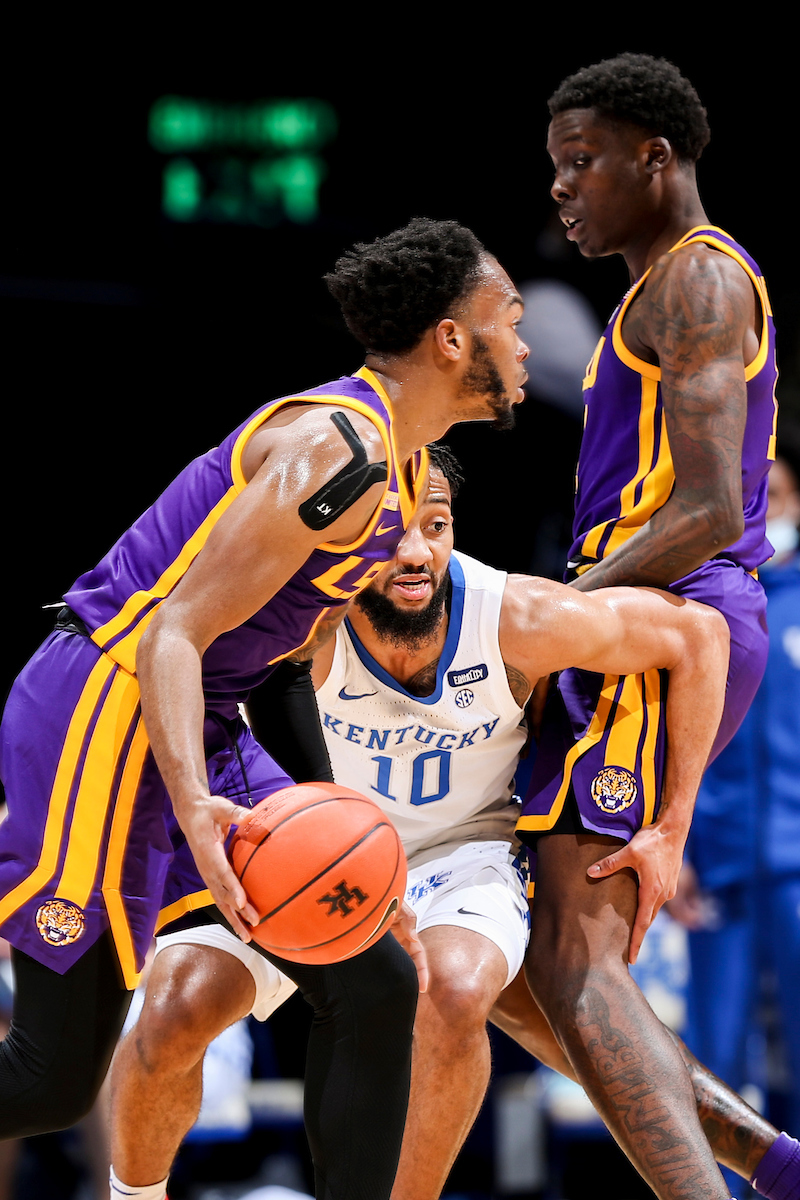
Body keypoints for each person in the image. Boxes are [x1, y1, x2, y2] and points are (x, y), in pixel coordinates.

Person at [0, 217, 530, 1200]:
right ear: (452, 339)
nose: (525, 339)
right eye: (510, 315)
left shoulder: (400, 473)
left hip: (202, 714)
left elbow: (279, 664)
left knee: (374, 977)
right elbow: (172, 632)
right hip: (102, 709)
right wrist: (197, 810)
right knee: (48, 1077)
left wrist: (347, 826)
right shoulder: (336, 452)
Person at [114, 452, 794, 1200]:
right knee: (174, 1015)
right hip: (295, 851)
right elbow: (164, 655)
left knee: (459, 990)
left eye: (435, 526)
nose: (415, 551)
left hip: (458, 855)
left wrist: (672, 825)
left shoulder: (513, 615)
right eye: (391, 528)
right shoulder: (297, 619)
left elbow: (699, 637)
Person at [515, 53, 782, 1200]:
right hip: (639, 620)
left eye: (581, 162)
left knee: (578, 962)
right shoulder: (655, 290)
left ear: (652, 158)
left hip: (668, 623)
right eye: (554, 167)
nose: (563, 189)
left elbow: (713, 506)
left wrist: (558, 617)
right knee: (525, 968)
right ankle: (767, 1166)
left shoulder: (696, 282)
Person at [669, 444, 800, 1198]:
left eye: (781, 491)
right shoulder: (706, 612)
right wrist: (677, 845)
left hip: (795, 865)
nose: (773, 505)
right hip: (714, 863)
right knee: (714, 1048)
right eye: (761, 495)